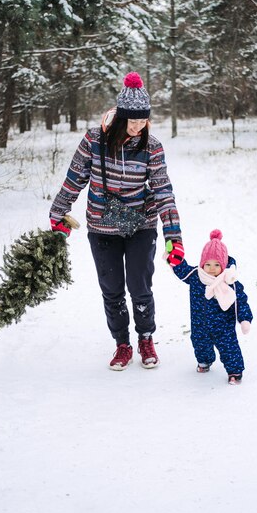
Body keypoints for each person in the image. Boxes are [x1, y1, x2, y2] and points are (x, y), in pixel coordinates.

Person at [49, 72, 183, 370]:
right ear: (120, 118)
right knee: (111, 287)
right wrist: (58, 213)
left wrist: (175, 237)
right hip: (101, 226)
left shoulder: (152, 147)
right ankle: (122, 344)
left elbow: (163, 192)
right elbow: (74, 179)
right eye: (132, 122)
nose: (138, 128)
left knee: (140, 285)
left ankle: (146, 337)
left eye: (143, 122)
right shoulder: (94, 140)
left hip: (142, 224)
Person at [170, 229, 252, 384]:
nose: (212, 268)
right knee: (200, 343)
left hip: (223, 327)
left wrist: (245, 319)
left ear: (224, 265)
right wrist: (173, 255)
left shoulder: (230, 282)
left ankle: (235, 371)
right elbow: (182, 270)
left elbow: (241, 302)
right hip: (200, 324)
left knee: (229, 348)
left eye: (216, 264)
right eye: (207, 264)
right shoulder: (196, 276)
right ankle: (205, 361)